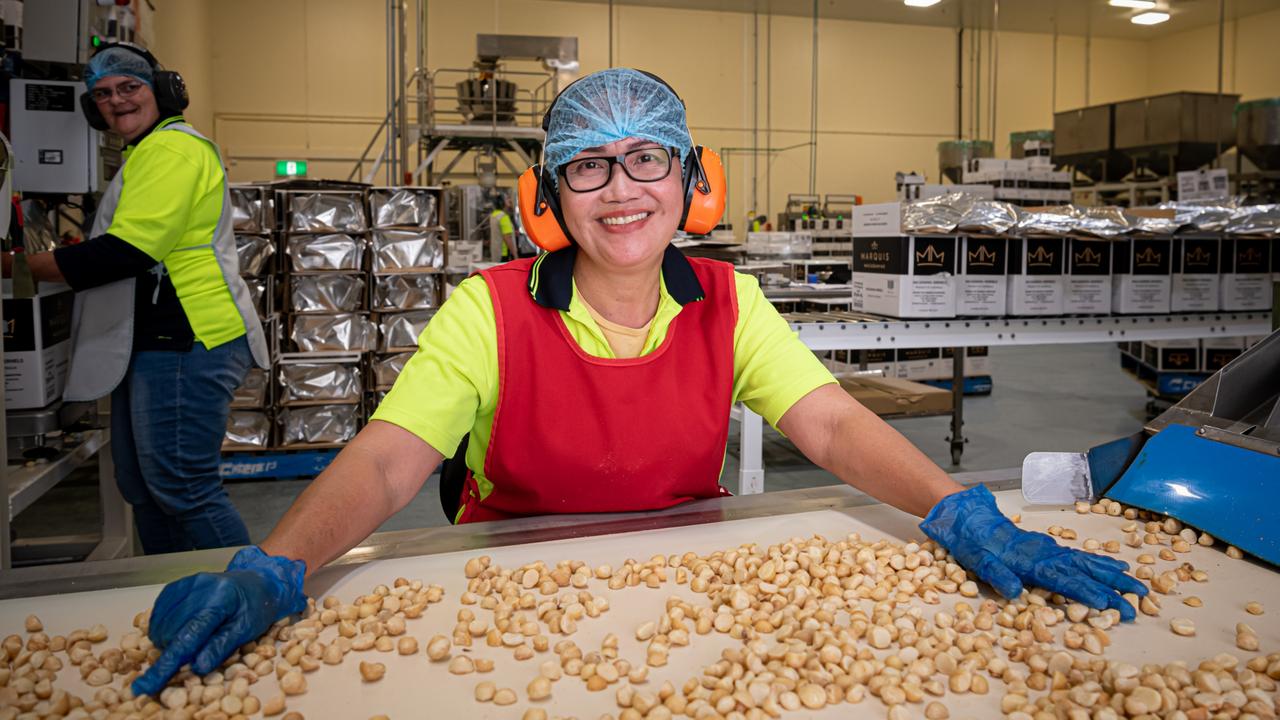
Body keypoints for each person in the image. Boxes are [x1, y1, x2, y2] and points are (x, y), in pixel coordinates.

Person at [128, 68, 1144, 697]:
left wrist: (955, 508)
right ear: (548, 196)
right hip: (506, 591)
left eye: (647, 159)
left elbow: (829, 427)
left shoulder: (726, 302)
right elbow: (392, 459)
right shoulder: (491, 308)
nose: (623, 191)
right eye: (589, 167)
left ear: (691, 183)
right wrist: (281, 562)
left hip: (684, 595)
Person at [3, 44, 270, 554]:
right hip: (152, 345)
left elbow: (128, 251)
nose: (116, 101)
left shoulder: (173, 149)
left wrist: (17, 266)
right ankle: (169, 591)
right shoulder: (145, 154)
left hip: (187, 339)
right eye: (102, 94)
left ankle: (251, 598)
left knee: (183, 489)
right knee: (143, 489)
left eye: (129, 87)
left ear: (163, 92)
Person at [489, 194, 518, 261]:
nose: (510, 200)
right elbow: (507, 237)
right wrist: (515, 254)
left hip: (496, 251)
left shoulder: (494, 215)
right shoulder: (503, 217)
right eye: (507, 199)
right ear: (502, 202)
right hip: (504, 253)